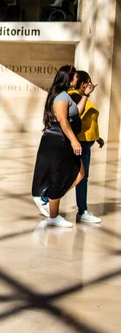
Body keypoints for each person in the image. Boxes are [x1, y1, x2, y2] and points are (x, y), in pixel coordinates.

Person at [32, 65, 94, 227]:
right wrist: (74, 140)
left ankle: (50, 199)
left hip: (63, 139)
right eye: (74, 77)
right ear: (68, 78)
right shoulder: (60, 97)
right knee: (58, 176)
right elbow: (62, 119)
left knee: (79, 173)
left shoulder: (65, 95)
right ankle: (53, 215)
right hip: (58, 140)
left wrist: (85, 95)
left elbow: (76, 114)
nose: (76, 79)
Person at [68, 71, 103, 223]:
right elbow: (75, 117)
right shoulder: (75, 96)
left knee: (79, 176)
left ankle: (82, 210)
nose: (90, 84)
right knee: (79, 176)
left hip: (85, 142)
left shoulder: (80, 96)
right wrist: (86, 95)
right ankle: (82, 211)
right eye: (88, 82)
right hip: (79, 143)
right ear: (83, 84)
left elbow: (87, 121)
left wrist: (97, 137)